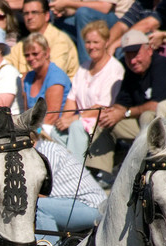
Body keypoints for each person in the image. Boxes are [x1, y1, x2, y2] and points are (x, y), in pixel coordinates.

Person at [89, 29, 166, 174]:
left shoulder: (162, 65)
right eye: (128, 56)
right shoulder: (130, 69)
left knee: (146, 116)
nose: (132, 61)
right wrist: (114, 112)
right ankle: (98, 175)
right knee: (105, 119)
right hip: (141, 126)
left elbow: (157, 105)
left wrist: (124, 113)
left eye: (136, 54)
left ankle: (145, 171)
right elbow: (121, 102)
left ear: (149, 49)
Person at [52, 20, 124, 160]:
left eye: (96, 42)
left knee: (76, 127)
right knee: (56, 131)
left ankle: (75, 169)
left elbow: (102, 106)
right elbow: (72, 99)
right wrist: (65, 119)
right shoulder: (84, 67)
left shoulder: (114, 69)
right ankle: (73, 162)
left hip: (100, 121)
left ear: (106, 42)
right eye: (88, 42)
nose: (91, 46)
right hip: (82, 119)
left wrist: (73, 119)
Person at [34, 137, 107, 246]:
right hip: (71, 204)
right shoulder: (41, 149)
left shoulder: (46, 151)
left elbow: (40, 193)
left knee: (37, 204)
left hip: (91, 206)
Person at [6, 0, 79, 79]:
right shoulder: (21, 45)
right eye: (26, 13)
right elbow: (3, 68)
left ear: (47, 16)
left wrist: (19, 77)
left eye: (34, 12)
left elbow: (52, 76)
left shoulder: (59, 40)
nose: (29, 17)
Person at [49, 0, 131, 62]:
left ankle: (87, 67)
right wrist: (63, 11)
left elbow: (104, 8)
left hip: (119, 21)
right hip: (90, 15)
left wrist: (67, 3)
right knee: (61, 23)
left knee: (83, 13)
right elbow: (79, 8)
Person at [22, 33, 71, 126]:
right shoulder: (28, 78)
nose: (31, 58)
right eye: (27, 55)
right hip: (34, 130)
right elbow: (26, 113)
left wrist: (34, 135)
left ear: (47, 52)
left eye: (35, 54)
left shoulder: (56, 77)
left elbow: (51, 118)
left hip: (55, 130)